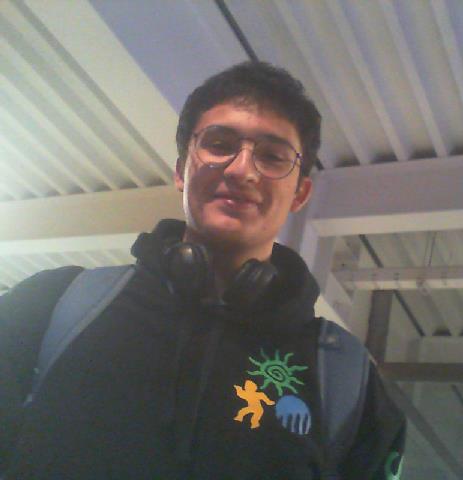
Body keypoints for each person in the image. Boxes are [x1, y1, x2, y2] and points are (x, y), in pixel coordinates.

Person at [0, 61, 405, 479]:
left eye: (272, 156)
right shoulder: (53, 305)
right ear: (181, 171)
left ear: (300, 194)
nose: (242, 169)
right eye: (219, 143)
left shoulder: (346, 380)